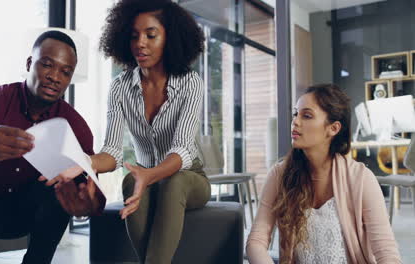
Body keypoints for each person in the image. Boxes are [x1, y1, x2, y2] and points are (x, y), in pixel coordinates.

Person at [49, 0, 208, 263]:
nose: (140, 43)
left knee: (174, 182)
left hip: (188, 177)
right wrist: (85, 163)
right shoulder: (120, 87)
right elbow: (111, 151)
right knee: (129, 181)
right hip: (144, 177)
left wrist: (149, 175)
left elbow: (182, 149)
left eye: (150, 35)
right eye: (134, 36)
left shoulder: (191, 82)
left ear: (170, 37)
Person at [0, 30, 104, 264]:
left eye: (66, 71)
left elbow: (88, 189)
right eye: (48, 65)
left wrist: (86, 204)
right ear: (30, 63)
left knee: (58, 190)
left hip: (30, 209)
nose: (55, 77)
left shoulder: (75, 126)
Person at [246, 84, 402, 264]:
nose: (295, 121)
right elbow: (256, 241)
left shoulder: (361, 179)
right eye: (296, 114)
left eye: (307, 115)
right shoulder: (279, 175)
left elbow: (387, 253)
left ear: (333, 128)